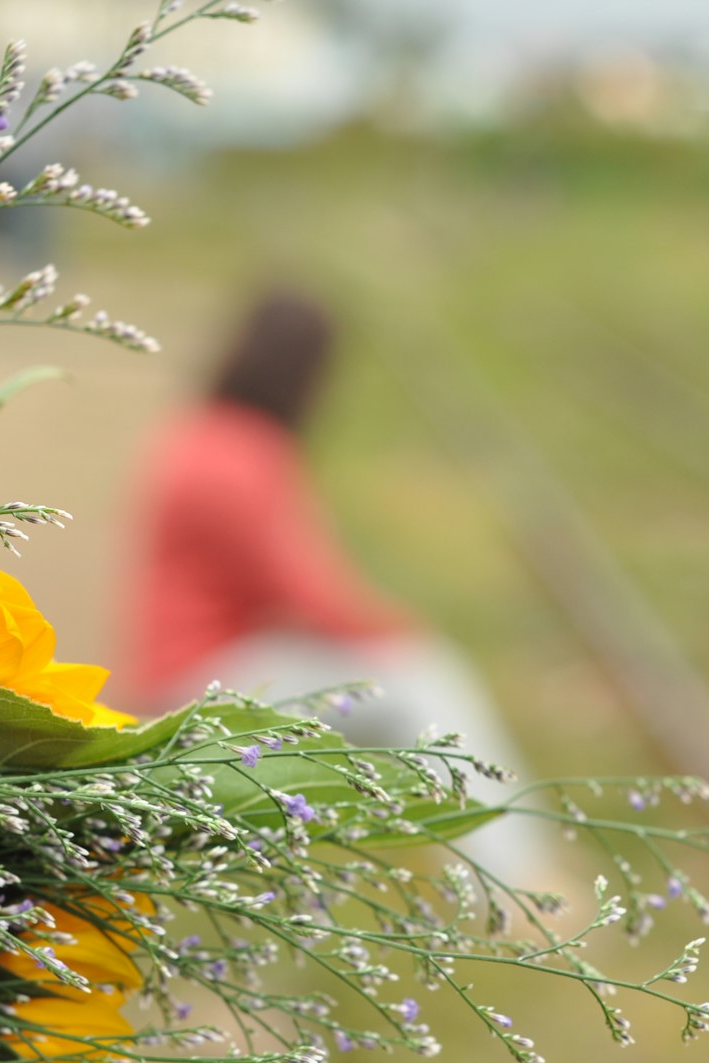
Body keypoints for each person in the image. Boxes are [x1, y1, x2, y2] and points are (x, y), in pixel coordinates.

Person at [121, 291, 553, 884]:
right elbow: (308, 596)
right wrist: (398, 631)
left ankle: (508, 858)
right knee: (427, 677)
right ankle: (514, 878)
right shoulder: (246, 456)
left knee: (418, 674)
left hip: (185, 670)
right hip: (199, 687)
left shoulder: (202, 432)